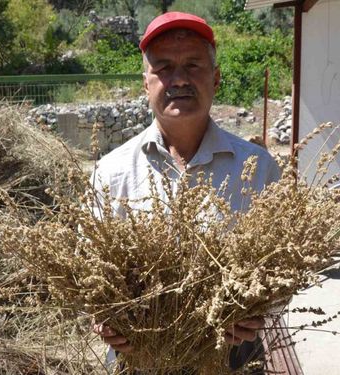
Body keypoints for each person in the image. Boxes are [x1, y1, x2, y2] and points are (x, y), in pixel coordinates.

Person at [91, 12, 281, 373]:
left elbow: (280, 269)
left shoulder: (257, 167)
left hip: (232, 359)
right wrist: (99, 315)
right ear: (145, 83)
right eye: (163, 68)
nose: (178, 79)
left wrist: (260, 310)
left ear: (216, 78)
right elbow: (88, 272)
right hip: (138, 360)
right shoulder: (110, 172)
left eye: (193, 65)